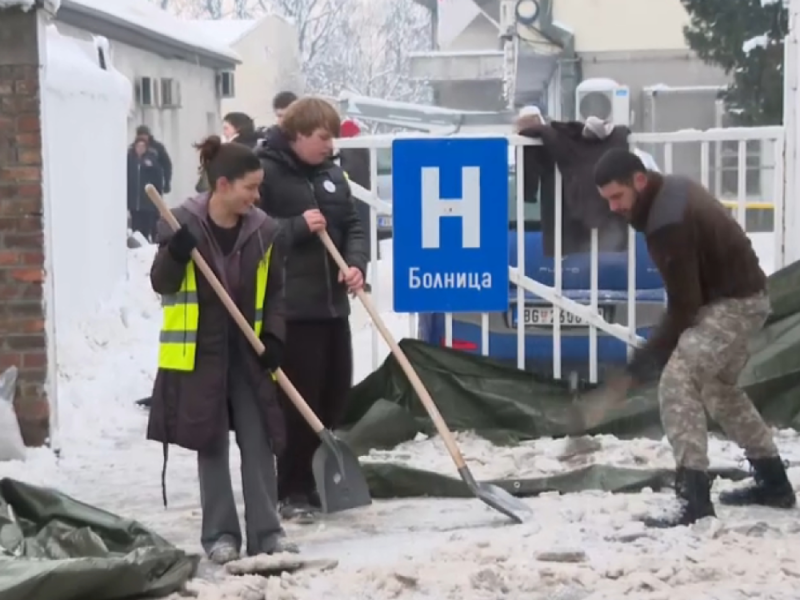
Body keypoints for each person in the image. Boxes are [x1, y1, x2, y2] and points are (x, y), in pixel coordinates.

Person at [592, 148, 796, 528]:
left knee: (678, 380)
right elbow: (688, 300)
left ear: (639, 180)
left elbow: (684, 307)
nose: (614, 207)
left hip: (734, 304)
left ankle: (694, 500)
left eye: (617, 197)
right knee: (719, 388)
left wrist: (642, 363)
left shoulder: (666, 220)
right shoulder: (670, 191)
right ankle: (773, 482)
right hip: (743, 298)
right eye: (608, 201)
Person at [147, 135, 298, 563]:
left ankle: (268, 533)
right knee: (210, 445)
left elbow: (275, 294)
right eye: (251, 187)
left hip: (248, 354)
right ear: (223, 185)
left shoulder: (264, 231)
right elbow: (163, 282)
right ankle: (220, 536)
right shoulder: (181, 224)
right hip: (201, 353)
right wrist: (175, 255)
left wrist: (274, 338)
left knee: (259, 442)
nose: (257, 195)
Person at [255, 97, 368, 522]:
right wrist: (299, 226)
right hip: (292, 308)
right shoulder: (263, 171)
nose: (330, 145)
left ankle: (318, 477)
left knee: (333, 396)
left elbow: (354, 226)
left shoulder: (331, 174)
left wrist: (356, 263)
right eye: (323, 137)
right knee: (297, 405)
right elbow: (252, 231)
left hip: (332, 307)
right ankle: (292, 489)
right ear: (298, 134)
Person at [197, 113, 260, 193]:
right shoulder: (259, 147)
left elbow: (204, 186)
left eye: (226, 128)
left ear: (238, 129)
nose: (224, 133)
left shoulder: (230, 153)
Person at [127, 136, 164, 240]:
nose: (140, 148)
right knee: (135, 229)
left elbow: (158, 180)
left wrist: (158, 198)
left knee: (146, 228)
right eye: (138, 146)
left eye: (143, 146)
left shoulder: (152, 160)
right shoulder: (129, 160)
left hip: (147, 203)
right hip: (134, 203)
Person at [136, 125, 173, 194]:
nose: (143, 138)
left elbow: (167, 165)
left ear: (148, 135)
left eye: (144, 135)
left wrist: (167, 182)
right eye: (140, 135)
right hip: (138, 187)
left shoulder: (157, 148)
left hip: (155, 185)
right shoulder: (133, 149)